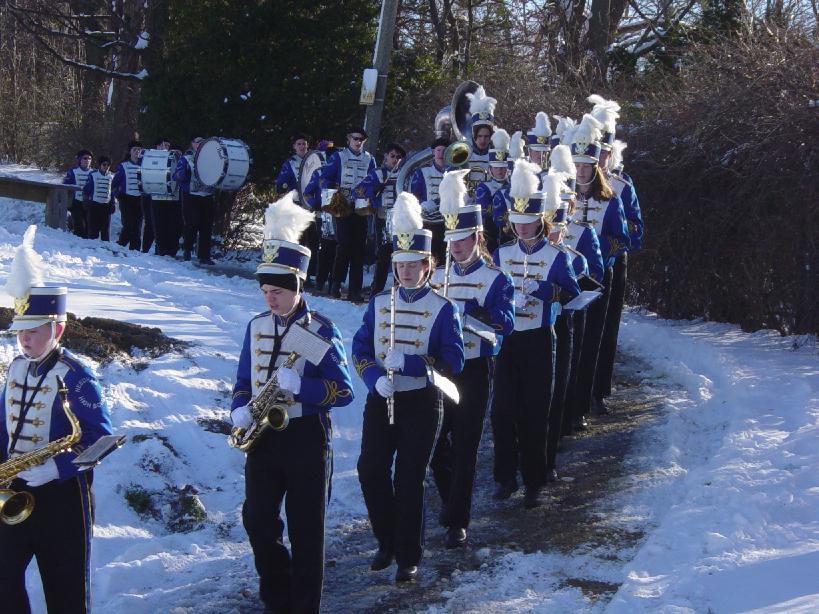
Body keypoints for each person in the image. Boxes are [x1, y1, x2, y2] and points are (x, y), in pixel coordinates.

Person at [230, 192, 354, 614]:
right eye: (265, 290)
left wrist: (302, 387)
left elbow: (342, 390)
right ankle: (277, 595)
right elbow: (243, 379)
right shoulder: (256, 326)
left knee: (306, 530)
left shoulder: (316, 331)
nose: (270, 299)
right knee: (257, 521)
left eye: (278, 291)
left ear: (297, 286)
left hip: (305, 436)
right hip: (263, 437)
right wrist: (239, 407)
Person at [0, 225, 113, 614]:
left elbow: (101, 439)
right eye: (20, 332)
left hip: (63, 498)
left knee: (66, 592)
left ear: (58, 329)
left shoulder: (77, 376)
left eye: (34, 331)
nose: (24, 340)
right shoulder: (16, 368)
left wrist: (57, 468)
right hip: (13, 489)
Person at [353, 192, 464, 583]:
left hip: (422, 400)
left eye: (413, 264)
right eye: (400, 265)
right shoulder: (379, 303)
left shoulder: (443, 308)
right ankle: (386, 539)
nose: (405, 271)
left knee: (410, 477)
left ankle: (407, 555)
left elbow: (454, 360)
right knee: (370, 470)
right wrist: (372, 378)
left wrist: (415, 362)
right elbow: (360, 348)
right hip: (382, 398)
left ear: (427, 265)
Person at [430, 170, 514, 548]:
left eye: (462, 239)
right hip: (441, 369)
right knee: (435, 445)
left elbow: (504, 325)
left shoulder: (496, 279)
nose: (456, 247)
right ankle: (451, 500)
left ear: (478, 237)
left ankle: (458, 520)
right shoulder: (436, 278)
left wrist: (470, 315)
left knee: (465, 445)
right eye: (451, 240)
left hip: (475, 368)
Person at [491, 159, 580, 508]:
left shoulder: (556, 256)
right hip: (507, 340)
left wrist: (543, 290)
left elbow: (571, 293)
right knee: (502, 411)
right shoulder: (501, 253)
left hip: (539, 338)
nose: (522, 227)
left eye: (528, 221)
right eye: (517, 221)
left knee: (535, 411)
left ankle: (534, 480)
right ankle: (505, 476)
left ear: (540, 220)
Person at [569, 114, 630, 423]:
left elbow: (622, 239)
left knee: (592, 340)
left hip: (596, 278)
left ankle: (585, 401)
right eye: (576, 165)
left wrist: (596, 253)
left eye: (586, 166)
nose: (580, 171)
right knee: (569, 345)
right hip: (567, 278)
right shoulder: (561, 197)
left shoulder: (611, 199)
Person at [305, 129, 375, 301]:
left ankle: (355, 290)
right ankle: (335, 284)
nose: (358, 142)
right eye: (355, 138)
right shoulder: (339, 156)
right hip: (342, 206)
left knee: (359, 249)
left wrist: (370, 193)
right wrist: (331, 195)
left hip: (361, 206)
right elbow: (325, 178)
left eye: (362, 139)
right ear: (349, 139)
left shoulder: (369, 159)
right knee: (343, 246)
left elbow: (373, 180)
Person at [355, 142, 405, 294]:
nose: (395, 159)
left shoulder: (406, 174)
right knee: (383, 255)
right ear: (386, 156)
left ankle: (399, 289)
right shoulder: (377, 174)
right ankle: (376, 290)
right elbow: (358, 191)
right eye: (392, 156)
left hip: (402, 219)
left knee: (401, 254)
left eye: (398, 157)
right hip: (383, 218)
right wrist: (374, 189)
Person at [276, 133, 320, 286]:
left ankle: (308, 273)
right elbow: (281, 182)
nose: (302, 146)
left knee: (313, 241)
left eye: (304, 143)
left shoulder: (314, 160)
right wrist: (284, 186)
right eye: (299, 144)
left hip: (310, 206)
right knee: (297, 240)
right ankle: (293, 272)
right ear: (294, 147)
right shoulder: (290, 163)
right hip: (295, 206)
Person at [173, 136, 216, 265]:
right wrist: (181, 175)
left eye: (203, 142)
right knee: (192, 224)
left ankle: (204, 255)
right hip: (191, 196)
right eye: (198, 142)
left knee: (206, 226)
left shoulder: (212, 158)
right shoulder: (186, 159)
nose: (200, 144)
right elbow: (176, 175)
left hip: (207, 195)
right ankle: (187, 250)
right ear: (192, 144)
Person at [410, 137, 449, 263]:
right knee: (429, 255)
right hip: (428, 220)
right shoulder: (422, 172)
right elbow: (414, 196)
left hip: (448, 221)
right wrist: (423, 204)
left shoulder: (455, 171)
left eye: (445, 150)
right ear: (433, 152)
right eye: (438, 150)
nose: (441, 154)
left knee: (445, 256)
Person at [474, 129, 510, 253]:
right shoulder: (484, 187)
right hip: (491, 232)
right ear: (490, 169)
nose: (499, 171)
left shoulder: (512, 186)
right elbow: (485, 213)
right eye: (496, 167)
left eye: (503, 167)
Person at [111, 140, 144, 251]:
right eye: (135, 149)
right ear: (130, 151)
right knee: (128, 225)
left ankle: (135, 250)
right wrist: (118, 195)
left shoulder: (144, 165)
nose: (137, 152)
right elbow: (114, 184)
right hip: (126, 199)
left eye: (139, 150)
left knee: (137, 226)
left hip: (139, 199)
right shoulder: (123, 166)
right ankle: (120, 246)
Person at [82, 156, 114, 242]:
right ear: (100, 165)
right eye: (104, 164)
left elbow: (112, 192)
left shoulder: (111, 176)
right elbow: (86, 190)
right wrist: (86, 202)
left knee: (105, 230)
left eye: (108, 165)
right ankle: (92, 246)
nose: (106, 167)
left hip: (106, 206)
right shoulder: (93, 175)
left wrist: (112, 204)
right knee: (93, 230)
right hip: (94, 206)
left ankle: (105, 247)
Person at [62, 150, 93, 238]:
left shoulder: (94, 173)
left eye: (89, 158)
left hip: (89, 203)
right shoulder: (73, 171)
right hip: (76, 202)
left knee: (89, 227)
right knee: (79, 226)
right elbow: (65, 186)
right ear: (80, 160)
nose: (87, 160)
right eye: (85, 158)